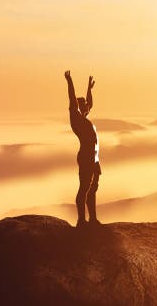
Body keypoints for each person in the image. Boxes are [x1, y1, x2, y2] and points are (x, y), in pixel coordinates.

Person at [64, 70, 101, 227]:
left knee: (93, 188)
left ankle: (92, 219)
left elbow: (90, 104)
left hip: (93, 158)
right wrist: (69, 80)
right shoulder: (76, 118)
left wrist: (89, 89)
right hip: (86, 157)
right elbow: (72, 99)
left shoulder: (83, 117)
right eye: (83, 104)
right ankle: (81, 220)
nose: (87, 106)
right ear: (78, 107)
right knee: (84, 187)